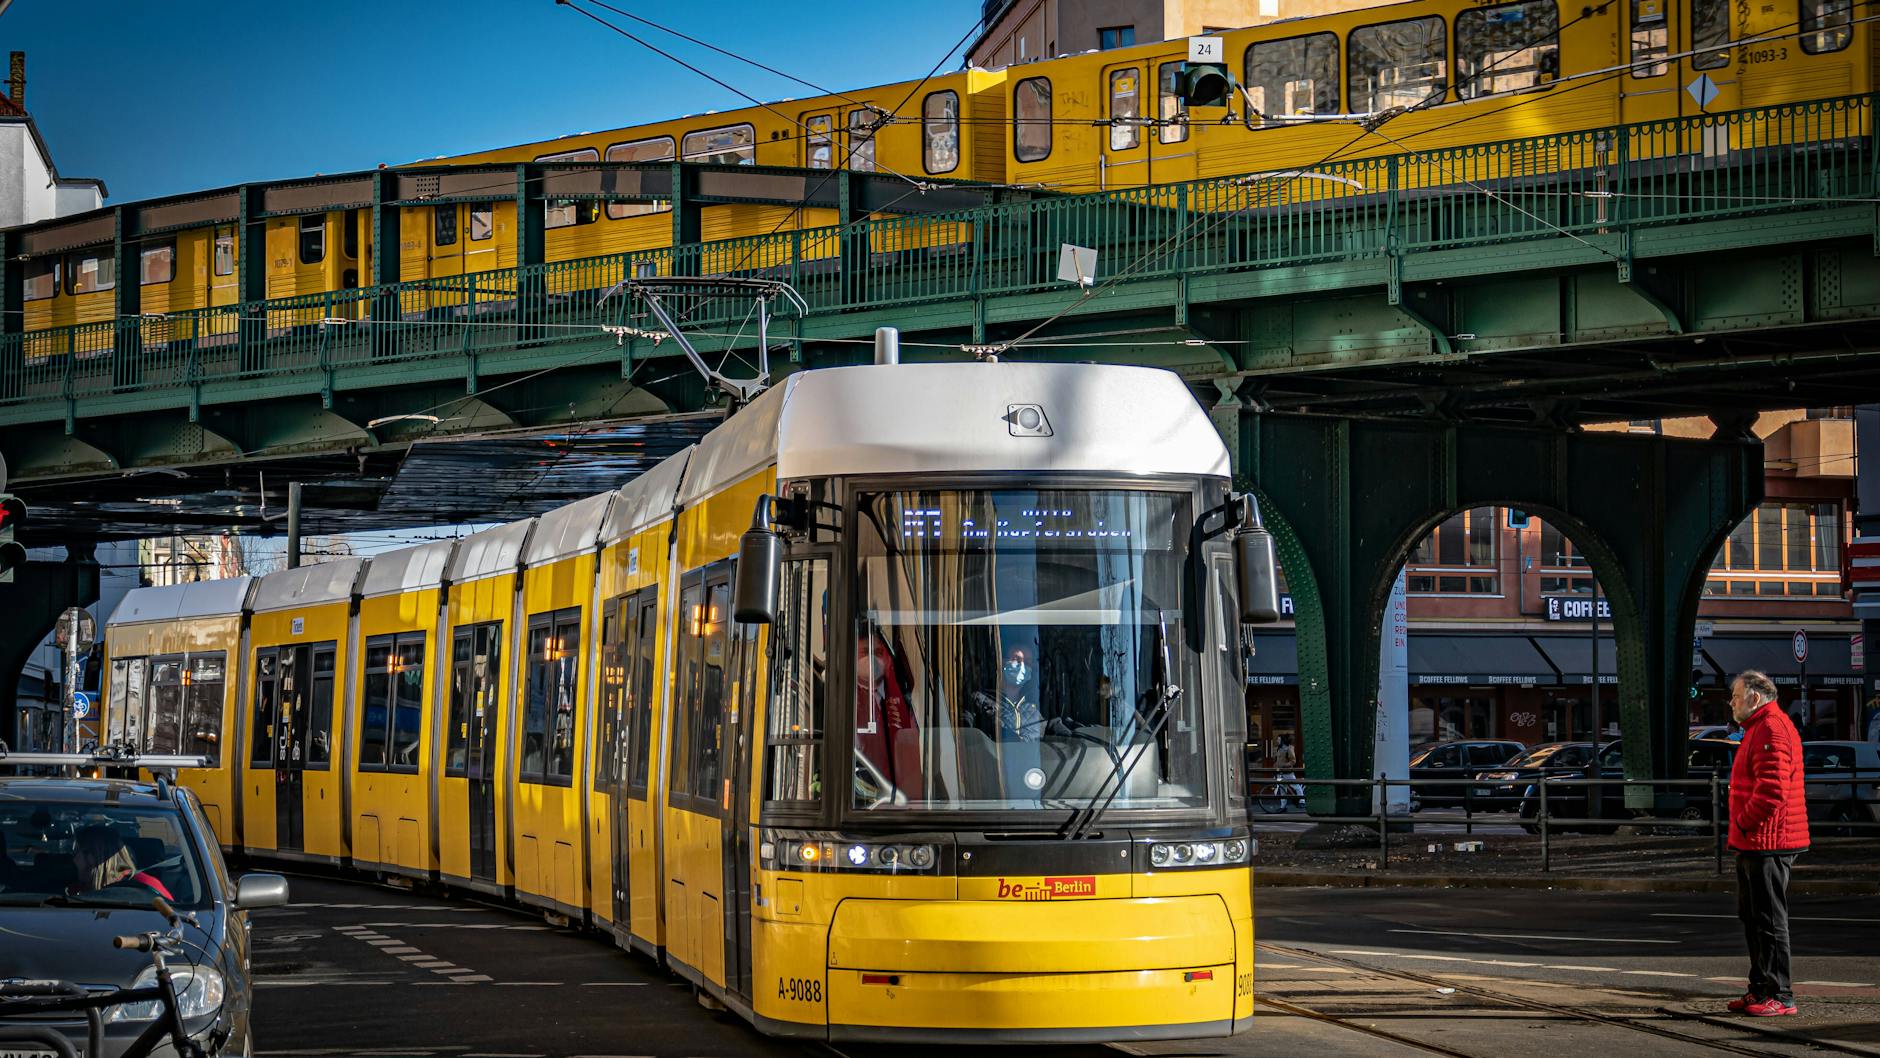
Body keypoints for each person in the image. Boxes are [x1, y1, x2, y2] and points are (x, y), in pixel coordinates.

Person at [1724, 670, 1809, 1018]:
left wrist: (1743, 822)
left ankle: (1780, 994)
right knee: (1754, 917)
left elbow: (1772, 792)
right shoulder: (1759, 728)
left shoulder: (1771, 729)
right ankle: (1760, 988)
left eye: (1735, 695)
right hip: (1756, 840)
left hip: (1768, 841)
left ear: (1754, 698)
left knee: (1769, 920)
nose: (1731, 701)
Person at [71, 826, 172, 901]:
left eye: (76, 852)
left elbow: (173, 917)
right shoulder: (77, 891)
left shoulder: (147, 887)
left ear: (91, 857)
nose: (74, 859)